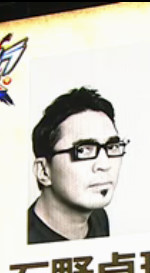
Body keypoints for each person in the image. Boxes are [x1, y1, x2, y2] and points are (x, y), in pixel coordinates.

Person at [29, 87, 129, 244]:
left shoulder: (98, 218)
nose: (104, 165)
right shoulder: (21, 242)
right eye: (83, 150)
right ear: (44, 171)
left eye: (112, 147)